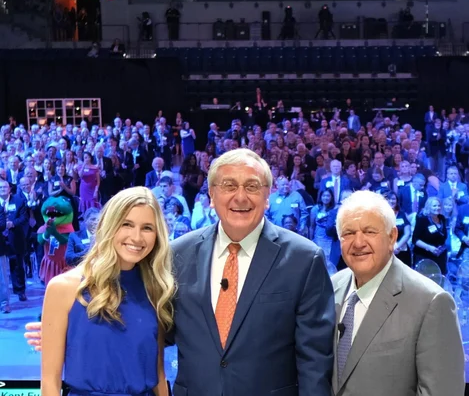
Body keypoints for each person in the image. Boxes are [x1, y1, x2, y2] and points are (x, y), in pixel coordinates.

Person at [27, 149, 335, 396]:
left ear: (268, 195)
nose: (240, 197)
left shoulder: (304, 258)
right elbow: (163, 329)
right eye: (228, 186)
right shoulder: (179, 255)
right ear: (211, 196)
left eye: (252, 186)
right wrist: (68, 331)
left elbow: (314, 361)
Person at [40, 187, 174, 396]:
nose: (137, 237)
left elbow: (159, 374)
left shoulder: (155, 288)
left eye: (147, 228)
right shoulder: (64, 287)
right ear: (108, 226)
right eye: (126, 224)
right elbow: (50, 381)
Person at [331, 190, 464, 396]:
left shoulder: (432, 302)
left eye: (369, 231)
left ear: (392, 237)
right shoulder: (332, 287)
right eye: (348, 233)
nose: (358, 243)